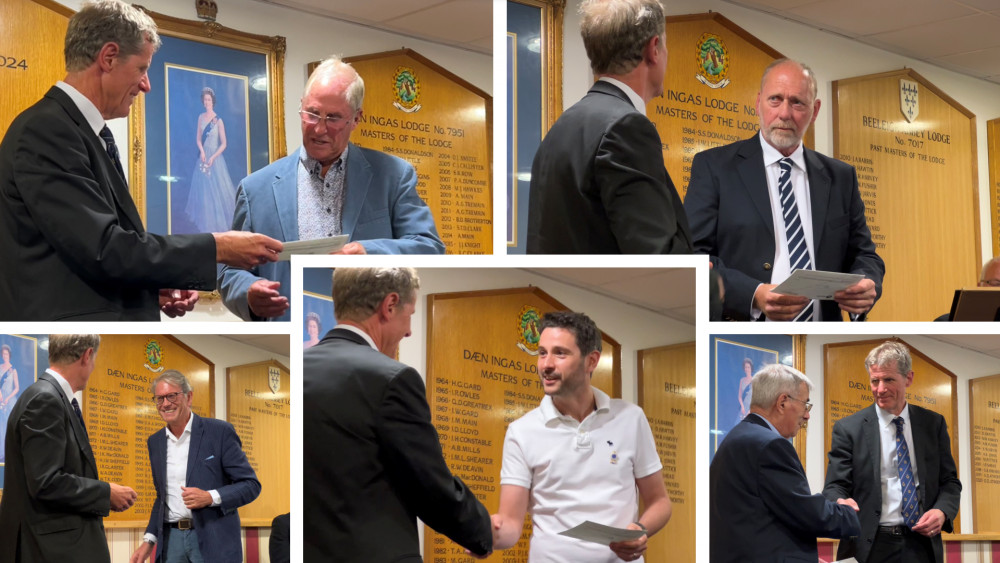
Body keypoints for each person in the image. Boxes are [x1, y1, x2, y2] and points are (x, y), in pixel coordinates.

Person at [0, 0, 283, 322]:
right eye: (142, 68)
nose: (146, 85)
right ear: (108, 57)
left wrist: (149, 287)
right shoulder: (47, 130)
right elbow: (103, 250)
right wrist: (216, 247)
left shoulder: (81, 132)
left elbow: (86, 254)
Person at [218, 57, 444, 322]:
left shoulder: (393, 176)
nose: (320, 128)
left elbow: (429, 248)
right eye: (312, 114)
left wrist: (367, 252)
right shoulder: (255, 189)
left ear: (356, 118)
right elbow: (230, 271)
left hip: (364, 331)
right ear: (301, 107)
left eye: (334, 118)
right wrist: (248, 292)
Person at [303, 267, 492, 561]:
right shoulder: (392, 378)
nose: (409, 331)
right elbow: (430, 486)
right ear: (389, 305)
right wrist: (483, 532)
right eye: (410, 314)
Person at [685, 58, 885, 321]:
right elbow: (694, 257)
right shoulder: (715, 167)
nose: (784, 113)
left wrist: (867, 282)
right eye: (775, 100)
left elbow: (864, 253)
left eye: (797, 103)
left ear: (815, 111)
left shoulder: (841, 177)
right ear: (758, 103)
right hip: (742, 327)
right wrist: (753, 293)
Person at [493, 311, 672, 562]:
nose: (546, 364)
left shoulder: (631, 418)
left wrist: (640, 531)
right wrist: (488, 534)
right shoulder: (521, 432)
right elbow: (510, 524)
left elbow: (660, 502)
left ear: (591, 361)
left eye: (560, 353)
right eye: (542, 353)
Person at [525, 0, 691, 254]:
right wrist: (712, 283)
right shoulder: (626, 127)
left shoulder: (559, 129)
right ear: (654, 49)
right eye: (665, 45)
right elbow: (654, 254)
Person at [0, 334, 138, 562]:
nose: (93, 368)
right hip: (48, 549)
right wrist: (106, 493)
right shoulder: (45, 399)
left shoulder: (49, 396)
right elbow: (46, 482)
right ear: (87, 356)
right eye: (94, 361)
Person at [823, 341, 961, 563]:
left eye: (888, 379)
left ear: (908, 378)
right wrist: (839, 501)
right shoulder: (848, 428)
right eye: (874, 380)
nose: (880, 389)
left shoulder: (932, 424)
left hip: (921, 544)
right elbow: (834, 487)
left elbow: (950, 482)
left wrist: (942, 511)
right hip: (870, 544)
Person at [710, 364, 860, 563]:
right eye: (805, 404)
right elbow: (807, 514)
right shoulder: (770, 446)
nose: (807, 415)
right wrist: (847, 512)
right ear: (782, 402)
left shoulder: (737, 438)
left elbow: (769, 515)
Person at [130, 370, 260, 563]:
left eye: (172, 396)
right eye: (159, 399)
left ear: (188, 397)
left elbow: (251, 485)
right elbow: (162, 496)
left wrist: (210, 497)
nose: (165, 404)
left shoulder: (220, 432)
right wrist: (149, 540)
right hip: (172, 541)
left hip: (213, 540)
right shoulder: (155, 442)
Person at [184, 86, 238, 233]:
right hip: (203, 157)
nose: (207, 102)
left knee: (218, 190)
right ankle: (205, 220)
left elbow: (224, 144)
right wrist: (202, 152)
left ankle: (218, 223)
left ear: (213, 101)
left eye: (209, 100)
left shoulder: (218, 121)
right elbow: (198, 139)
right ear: (203, 101)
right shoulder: (200, 117)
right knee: (203, 190)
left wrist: (213, 157)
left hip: (215, 159)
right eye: (205, 100)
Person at [0, 344, 21, 462]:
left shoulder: (13, 370)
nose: (5, 356)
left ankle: (11, 453)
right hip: (1, 400)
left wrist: (7, 398)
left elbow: (17, 388)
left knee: (11, 427)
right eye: (3, 354)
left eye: (6, 354)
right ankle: (2, 453)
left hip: (10, 401)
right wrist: (1, 396)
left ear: (10, 355)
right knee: (2, 426)